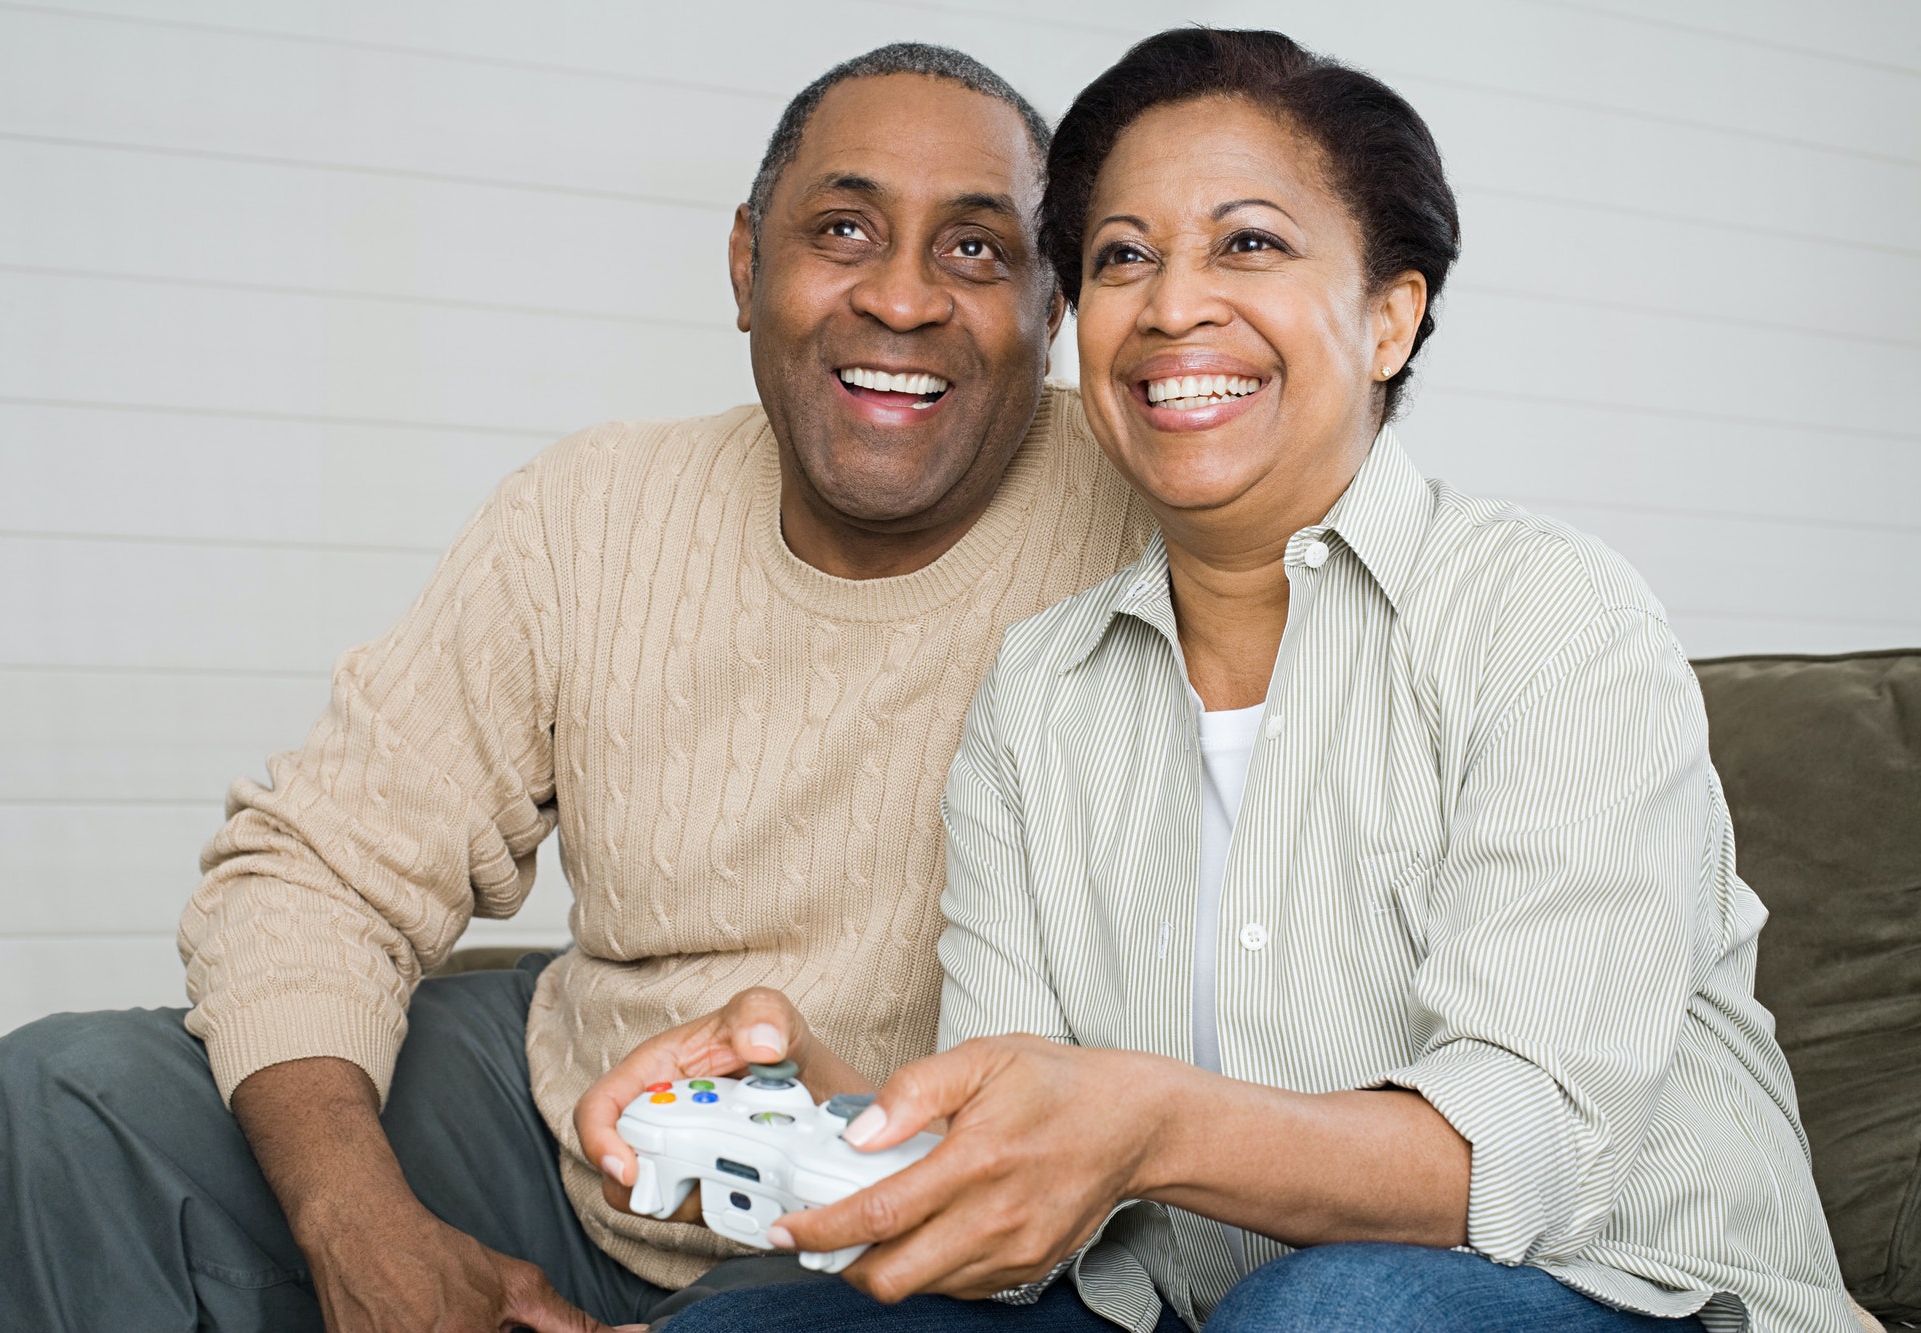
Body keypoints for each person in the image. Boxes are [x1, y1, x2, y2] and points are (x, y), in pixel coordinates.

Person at [582, 28, 1858, 1333]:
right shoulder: (1041, 693)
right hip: (1210, 1311)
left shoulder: (1549, 615)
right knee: (740, 1327)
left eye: (1248, 243)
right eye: (1125, 255)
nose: (1173, 304)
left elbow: (1522, 1152)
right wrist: (839, 1118)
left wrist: (1149, 1123)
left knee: (1332, 1313)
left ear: (1388, 317)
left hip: (1626, 1291)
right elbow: (1029, 1216)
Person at [0, 44, 1158, 1333]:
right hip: (572, 1138)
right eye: (842, 230)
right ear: (747, 264)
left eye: (976, 250)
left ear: (1053, 307)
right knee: (56, 1100)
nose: (903, 300)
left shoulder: (1149, 516)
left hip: (919, 1235)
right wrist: (362, 1223)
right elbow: (318, 869)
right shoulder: (593, 513)